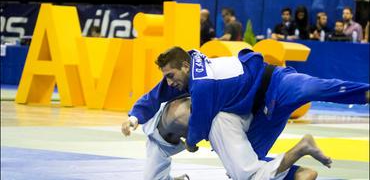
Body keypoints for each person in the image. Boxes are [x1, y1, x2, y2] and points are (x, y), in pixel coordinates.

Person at [122, 47, 369, 179]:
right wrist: (133, 118)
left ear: (184, 66)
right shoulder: (188, 71)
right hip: (260, 115)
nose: (169, 82)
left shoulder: (202, 82)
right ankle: (298, 174)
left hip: (275, 83)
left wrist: (192, 143)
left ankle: (365, 94)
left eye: (171, 76)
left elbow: (200, 120)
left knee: (314, 87)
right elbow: (155, 96)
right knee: (246, 168)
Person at [138, 95, 330, 180]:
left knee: (244, 174)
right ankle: (300, 150)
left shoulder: (178, 114)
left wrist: (192, 140)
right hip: (169, 124)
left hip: (225, 118)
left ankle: (301, 148)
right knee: (244, 172)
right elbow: (308, 174)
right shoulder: (177, 110)